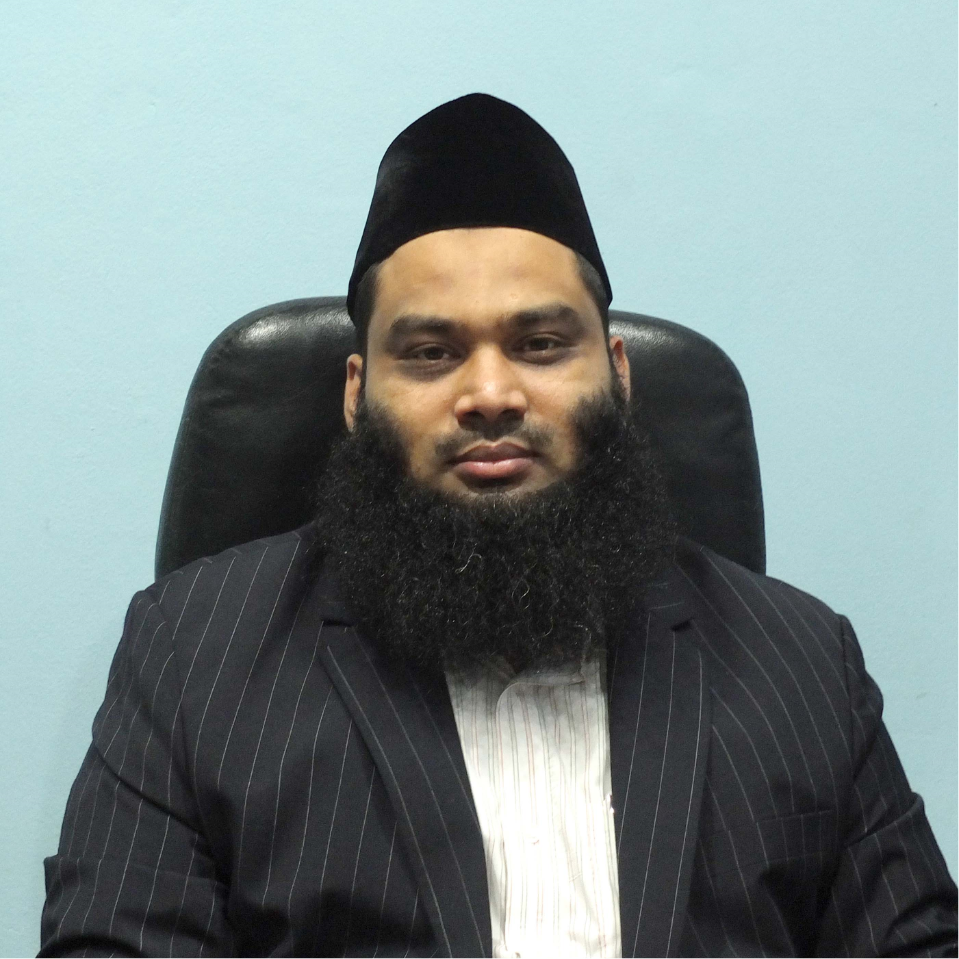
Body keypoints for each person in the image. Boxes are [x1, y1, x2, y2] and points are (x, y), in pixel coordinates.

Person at [39, 93, 958, 959]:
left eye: (540, 345)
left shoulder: (801, 662)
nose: (489, 393)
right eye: (430, 352)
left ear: (618, 375)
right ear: (357, 394)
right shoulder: (196, 658)